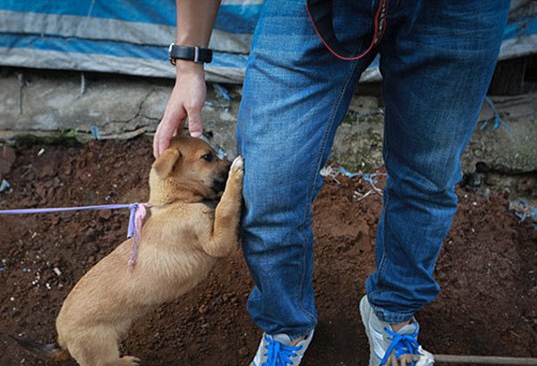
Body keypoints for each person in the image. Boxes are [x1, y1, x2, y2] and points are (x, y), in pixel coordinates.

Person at [154, 0, 511, 365]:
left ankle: (393, 317)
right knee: (267, 185)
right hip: (310, 7)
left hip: (459, 10)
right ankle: (285, 326)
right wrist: (188, 63)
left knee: (428, 179)